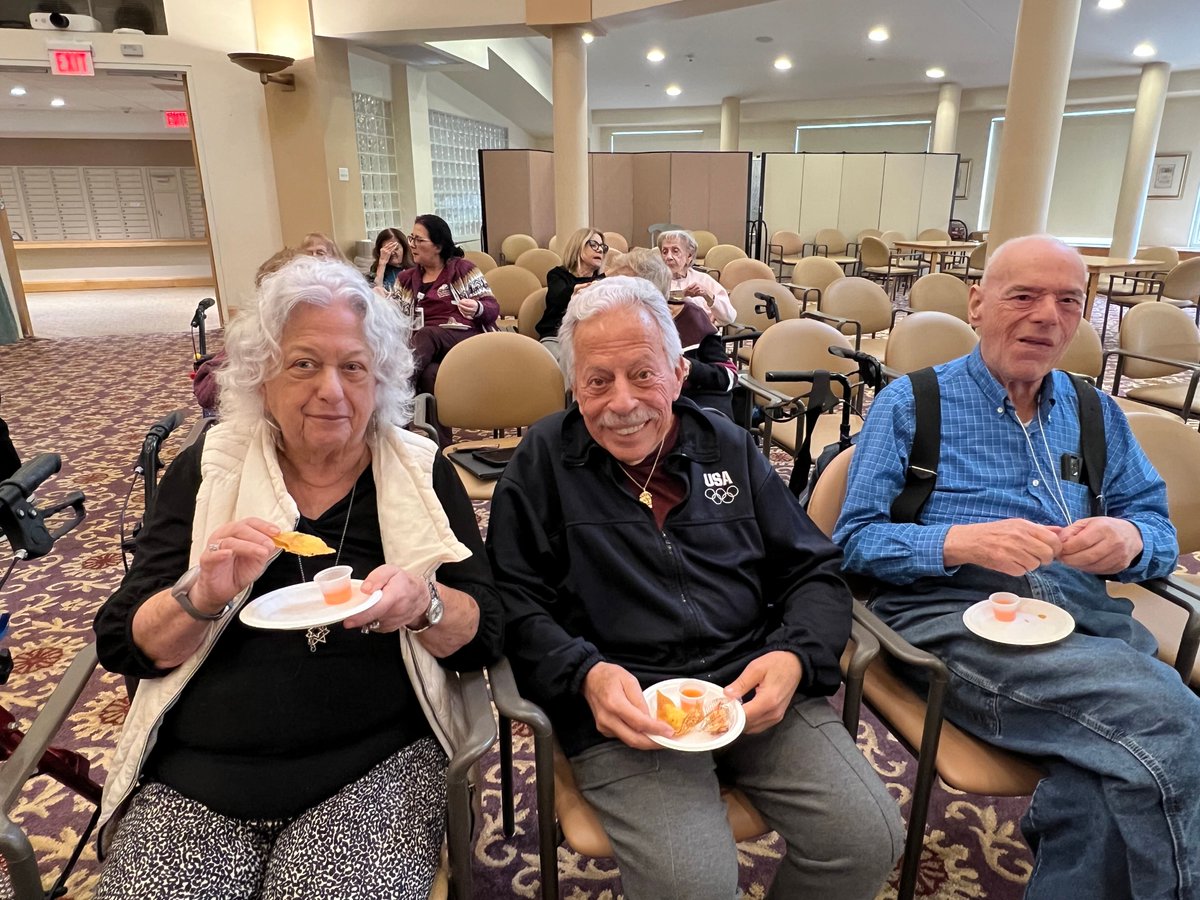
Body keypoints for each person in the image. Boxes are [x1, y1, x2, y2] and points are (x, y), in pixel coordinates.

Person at [94, 256, 503, 900]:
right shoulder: (211, 471)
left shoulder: (420, 472)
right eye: (304, 364)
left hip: (375, 768)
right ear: (262, 380)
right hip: (201, 776)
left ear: (381, 382)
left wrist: (424, 603)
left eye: (353, 367)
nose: (331, 390)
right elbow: (125, 643)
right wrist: (199, 596)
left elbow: (484, 632)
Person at [487, 276, 902, 900]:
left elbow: (814, 570)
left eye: (643, 374)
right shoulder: (542, 462)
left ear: (679, 375)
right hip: (626, 706)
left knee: (868, 836)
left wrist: (796, 657)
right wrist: (584, 677)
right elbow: (515, 604)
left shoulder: (727, 446)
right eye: (598, 381)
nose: (622, 403)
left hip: (749, 684)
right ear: (574, 384)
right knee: (694, 885)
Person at [833, 234, 1200, 900]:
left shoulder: (1095, 413)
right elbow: (851, 544)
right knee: (1170, 719)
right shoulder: (912, 404)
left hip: (1082, 625)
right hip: (952, 623)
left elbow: (1157, 530)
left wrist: (1127, 538)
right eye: (1023, 296)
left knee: (1109, 777)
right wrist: (958, 543)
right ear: (977, 304)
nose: (1046, 317)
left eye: (1068, 301)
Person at [606, 248, 737, 418]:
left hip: (692, 407)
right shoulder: (609, 321)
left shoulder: (690, 316)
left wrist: (691, 368)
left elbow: (729, 376)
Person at [389, 214, 498, 395]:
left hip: (464, 339)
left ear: (438, 246)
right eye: (411, 238)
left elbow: (492, 308)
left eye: (419, 240)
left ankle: (397, 389)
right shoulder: (405, 279)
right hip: (424, 349)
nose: (412, 245)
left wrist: (477, 308)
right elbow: (393, 318)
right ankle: (427, 424)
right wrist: (381, 302)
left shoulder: (463, 270)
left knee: (428, 333)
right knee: (430, 374)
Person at [535, 226, 606, 358]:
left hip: (592, 338)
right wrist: (576, 290)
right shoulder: (557, 275)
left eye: (602, 246)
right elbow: (557, 298)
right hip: (556, 337)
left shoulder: (603, 280)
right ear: (578, 246)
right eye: (594, 245)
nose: (600, 250)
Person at [657, 229, 736, 326]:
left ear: (689, 256)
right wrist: (682, 295)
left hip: (703, 338)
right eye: (664, 252)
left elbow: (729, 317)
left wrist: (707, 295)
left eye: (675, 251)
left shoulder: (703, 280)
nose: (668, 257)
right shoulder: (655, 280)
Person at [367, 227, 414, 295]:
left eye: (396, 248)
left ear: (404, 248)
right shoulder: (376, 267)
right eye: (388, 249)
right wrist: (382, 263)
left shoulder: (416, 265)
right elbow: (376, 292)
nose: (392, 253)